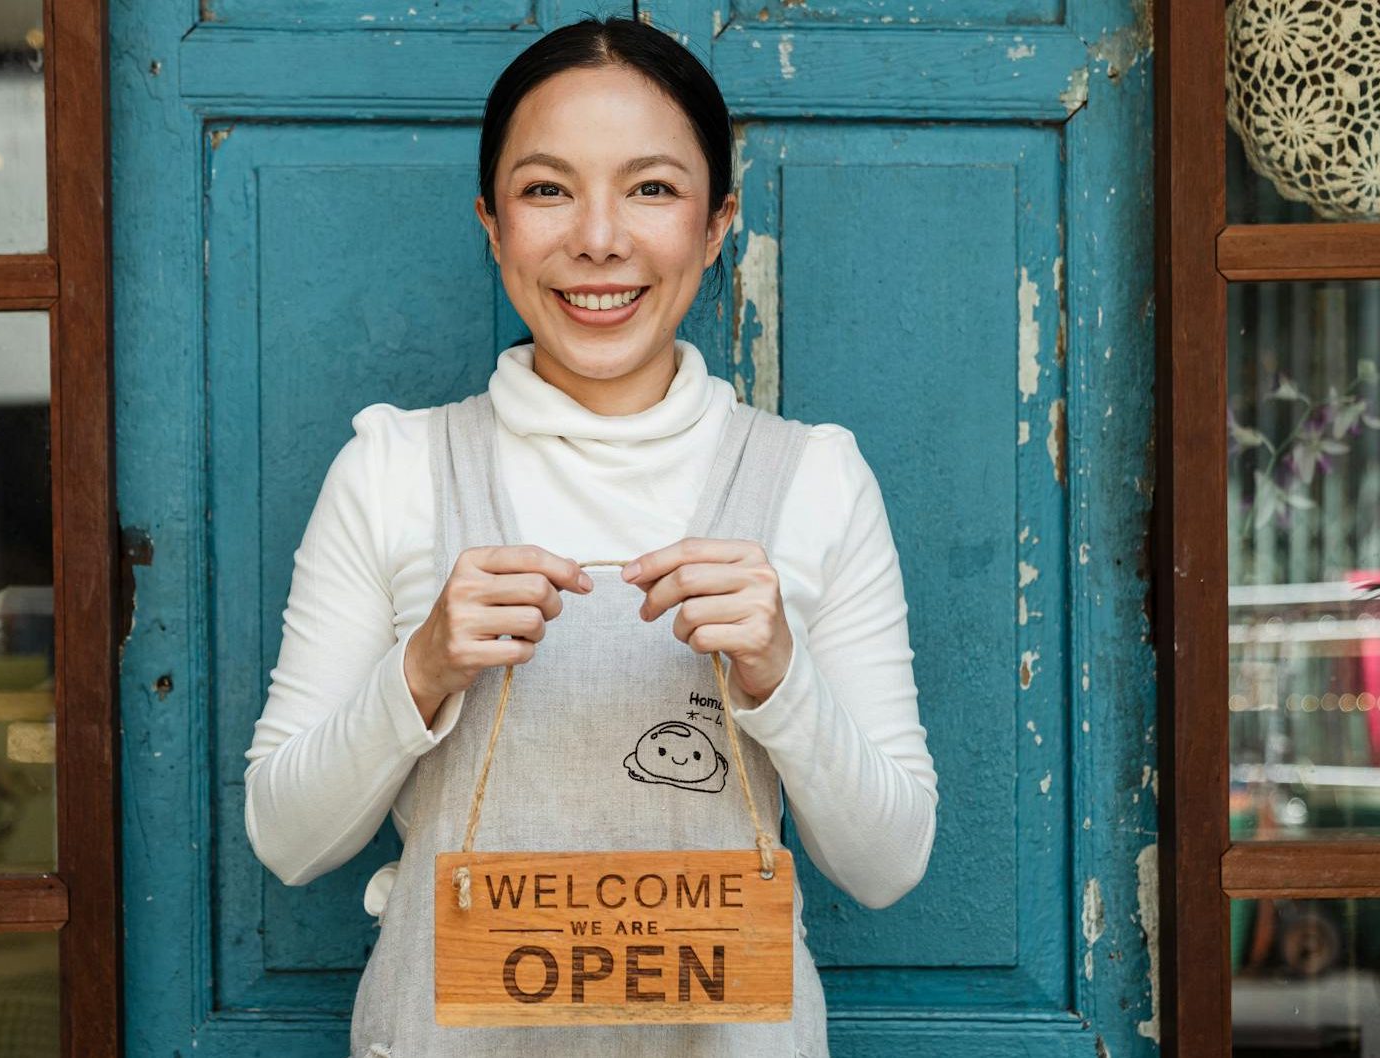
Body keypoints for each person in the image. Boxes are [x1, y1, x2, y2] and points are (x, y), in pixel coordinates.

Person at [241, 16, 938, 1057]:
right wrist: (421, 665)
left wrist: (779, 671)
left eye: (651, 188)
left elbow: (886, 863)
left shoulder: (812, 479)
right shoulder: (392, 471)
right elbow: (286, 840)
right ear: (491, 221)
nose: (598, 238)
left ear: (716, 224)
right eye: (546, 189)